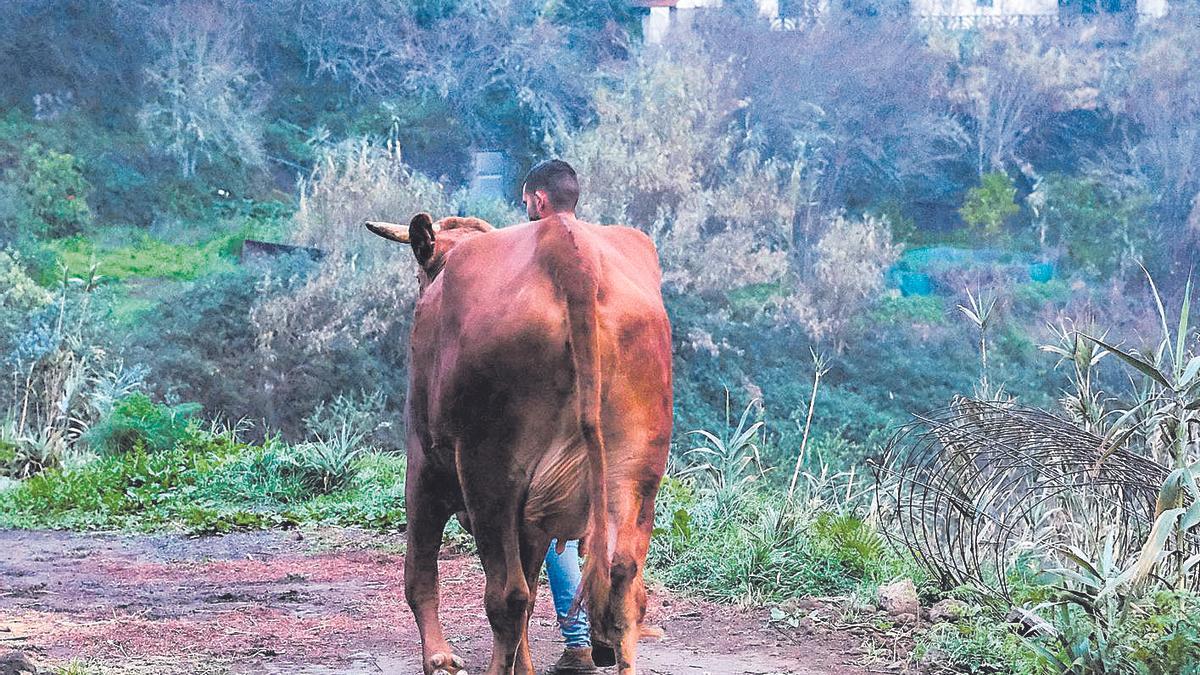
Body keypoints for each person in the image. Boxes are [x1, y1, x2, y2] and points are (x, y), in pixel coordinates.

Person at [521, 160, 616, 674]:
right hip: (608, 399)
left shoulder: (535, 253)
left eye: (526, 204)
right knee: (593, 514)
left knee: (554, 524)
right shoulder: (603, 253)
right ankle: (608, 629)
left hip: (556, 406)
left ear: (538, 201)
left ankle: (579, 639)